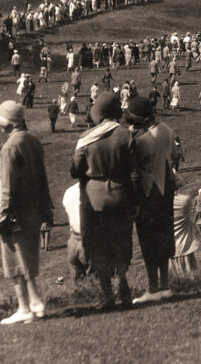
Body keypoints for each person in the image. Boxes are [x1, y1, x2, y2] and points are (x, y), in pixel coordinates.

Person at [71, 93, 136, 310]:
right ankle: (124, 287)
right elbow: (134, 168)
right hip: (122, 196)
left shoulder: (87, 137)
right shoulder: (126, 135)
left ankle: (107, 295)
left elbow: (75, 170)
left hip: (95, 199)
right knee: (120, 243)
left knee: (98, 246)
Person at [0, 100, 54, 325]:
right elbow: (42, 178)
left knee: (13, 262)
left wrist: (2, 216)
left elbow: (7, 186)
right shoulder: (33, 142)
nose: (0, 128)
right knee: (27, 258)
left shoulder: (10, 147)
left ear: (9, 124)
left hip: (14, 213)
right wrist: (46, 210)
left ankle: (26, 306)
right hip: (34, 210)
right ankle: (34, 303)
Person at [126, 97, 176, 304]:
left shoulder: (140, 140)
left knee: (148, 240)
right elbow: (173, 155)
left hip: (147, 193)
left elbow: (133, 169)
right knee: (164, 237)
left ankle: (153, 287)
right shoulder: (167, 130)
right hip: (166, 188)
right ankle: (165, 285)